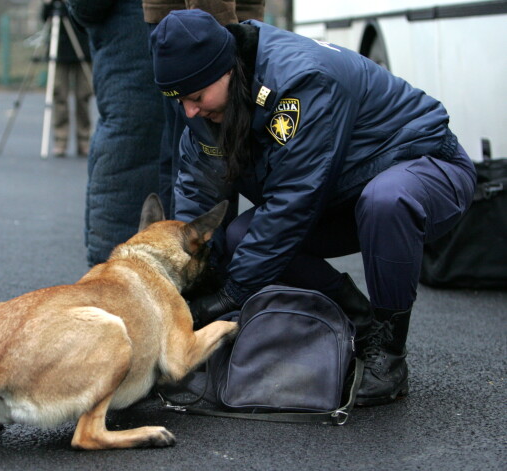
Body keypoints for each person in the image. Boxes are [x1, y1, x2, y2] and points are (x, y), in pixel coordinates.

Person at [150, 10, 477, 406]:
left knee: (386, 201)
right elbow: (197, 207)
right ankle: (357, 319)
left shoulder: (303, 83)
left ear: (227, 70)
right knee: (239, 238)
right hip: (342, 189)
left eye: (196, 98)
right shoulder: (208, 99)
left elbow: (292, 203)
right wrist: (187, 293)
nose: (189, 111)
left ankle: (388, 354)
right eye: (180, 100)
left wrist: (231, 293)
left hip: (426, 168)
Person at [143, 0, 265, 218]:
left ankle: (177, 249)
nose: (189, 111)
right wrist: (219, 42)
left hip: (203, 28)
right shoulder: (215, 60)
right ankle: (190, 251)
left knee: (182, 158)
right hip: (206, 31)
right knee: (205, 172)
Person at [69, 0, 163, 266]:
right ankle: (111, 269)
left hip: (128, 36)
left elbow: (85, 10)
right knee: (132, 145)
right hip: (134, 37)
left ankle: (109, 268)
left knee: (130, 144)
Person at [42, 0, 92, 157]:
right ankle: (60, 140)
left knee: (83, 96)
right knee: (58, 94)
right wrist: (47, 4)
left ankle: (84, 140)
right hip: (59, 49)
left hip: (82, 47)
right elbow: (45, 18)